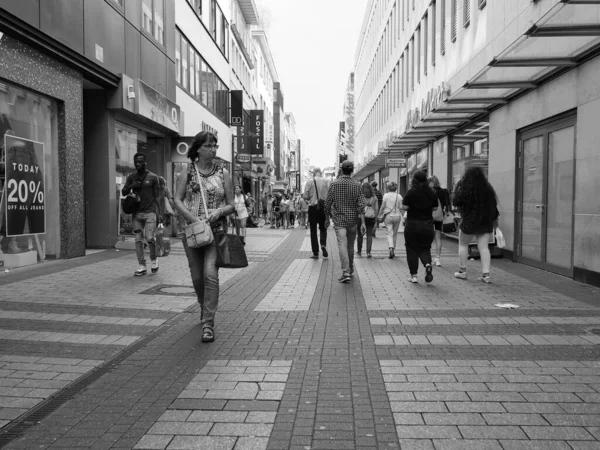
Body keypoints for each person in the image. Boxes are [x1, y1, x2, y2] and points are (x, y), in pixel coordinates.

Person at [173, 131, 234, 343]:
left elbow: (231, 205)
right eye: (209, 146)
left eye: (215, 146)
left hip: (216, 232)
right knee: (197, 277)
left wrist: (219, 212)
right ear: (198, 148)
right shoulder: (187, 171)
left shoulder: (223, 173)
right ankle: (203, 305)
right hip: (192, 232)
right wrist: (193, 219)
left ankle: (208, 322)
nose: (213, 149)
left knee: (210, 274)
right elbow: (177, 200)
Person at [452, 166, 499, 283]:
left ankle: (462, 271)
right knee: (484, 248)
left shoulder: (465, 188)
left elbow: (456, 201)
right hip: (485, 221)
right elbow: (493, 207)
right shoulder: (488, 189)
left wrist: (456, 189)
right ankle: (486, 274)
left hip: (469, 221)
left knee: (463, 245)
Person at [121, 152, 163, 276]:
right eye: (136, 162)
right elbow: (124, 192)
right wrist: (132, 186)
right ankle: (142, 265)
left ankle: (154, 260)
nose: (137, 164)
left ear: (145, 163)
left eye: (140, 162)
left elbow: (158, 197)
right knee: (138, 240)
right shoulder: (131, 177)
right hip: (137, 214)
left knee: (150, 238)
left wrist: (160, 213)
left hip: (150, 213)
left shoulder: (153, 177)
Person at [325, 160, 366, 283]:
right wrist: (363, 222)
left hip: (339, 220)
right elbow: (361, 205)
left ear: (341, 169)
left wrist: (327, 218)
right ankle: (351, 268)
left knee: (342, 245)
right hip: (353, 220)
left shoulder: (334, 184)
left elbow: (327, 204)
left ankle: (346, 272)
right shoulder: (357, 185)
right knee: (350, 245)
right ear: (352, 170)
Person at [402, 170, 438, 284]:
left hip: (412, 224)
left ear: (414, 180)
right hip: (427, 224)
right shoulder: (432, 192)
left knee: (412, 249)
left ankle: (413, 276)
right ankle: (427, 264)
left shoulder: (411, 192)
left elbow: (404, 206)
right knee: (425, 247)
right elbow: (435, 208)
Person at [304, 167, 330, 259]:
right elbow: (329, 196)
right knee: (323, 228)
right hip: (323, 208)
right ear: (320, 173)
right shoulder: (326, 181)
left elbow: (305, 196)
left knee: (313, 231)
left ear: (314, 173)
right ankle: (323, 244)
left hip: (313, 207)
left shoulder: (309, 181)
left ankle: (315, 252)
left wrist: (311, 198)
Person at [428, 175, 451, 266]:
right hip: (439, 216)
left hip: (429, 216)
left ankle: (428, 257)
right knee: (438, 237)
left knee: (428, 237)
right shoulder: (444, 191)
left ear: (431, 182)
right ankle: (437, 259)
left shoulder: (428, 192)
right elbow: (447, 205)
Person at [377, 182, 403, 259]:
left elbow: (382, 206)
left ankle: (390, 248)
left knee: (389, 233)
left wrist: (379, 215)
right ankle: (393, 251)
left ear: (388, 188)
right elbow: (401, 207)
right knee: (395, 234)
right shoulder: (399, 196)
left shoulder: (386, 196)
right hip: (397, 216)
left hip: (388, 216)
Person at [356, 182, 379, 258]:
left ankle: (359, 251)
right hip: (371, 218)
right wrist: (376, 221)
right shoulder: (375, 198)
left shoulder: (361, 198)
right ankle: (368, 252)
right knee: (369, 235)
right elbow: (376, 210)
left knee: (360, 235)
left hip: (361, 218)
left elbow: (359, 209)